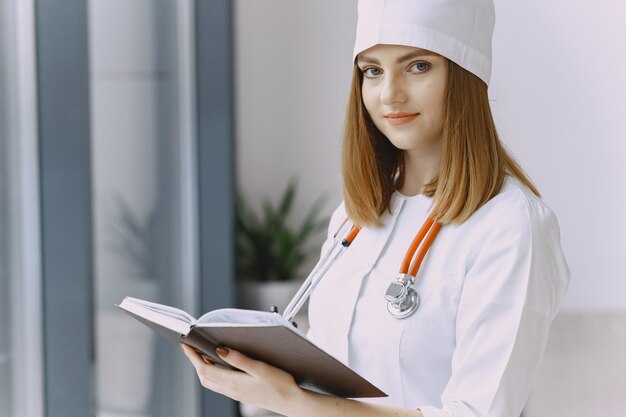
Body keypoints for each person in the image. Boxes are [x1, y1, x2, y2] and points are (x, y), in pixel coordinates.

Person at [181, 0, 570, 416]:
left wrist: (295, 402)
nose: (390, 94)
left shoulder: (511, 226)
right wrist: (258, 379)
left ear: (465, 76)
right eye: (372, 70)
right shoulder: (353, 218)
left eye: (418, 66)